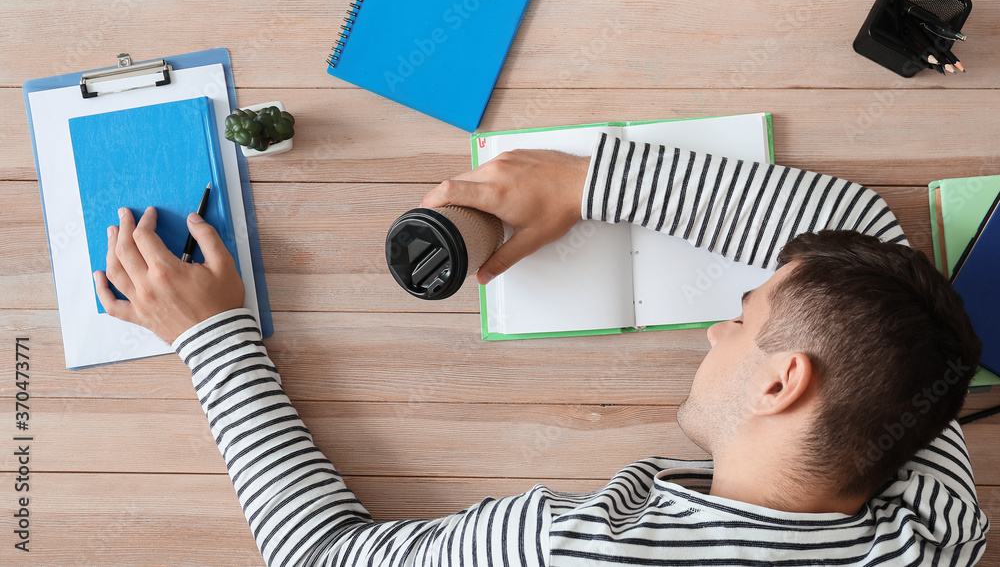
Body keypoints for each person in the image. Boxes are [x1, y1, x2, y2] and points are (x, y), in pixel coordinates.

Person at [95, 132, 988, 566]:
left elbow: (319, 555)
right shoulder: (935, 526)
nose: (719, 328)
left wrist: (211, 337)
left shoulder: (568, 547)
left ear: (782, 380)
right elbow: (869, 238)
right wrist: (581, 184)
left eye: (744, 318)